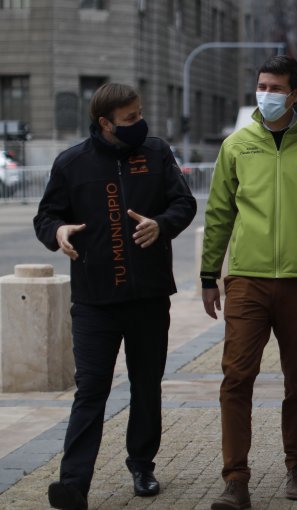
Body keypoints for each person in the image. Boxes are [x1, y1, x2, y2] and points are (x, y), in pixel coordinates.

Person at [200, 55, 297, 510]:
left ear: (296, 93)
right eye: (261, 85)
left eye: (275, 87)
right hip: (247, 280)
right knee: (236, 377)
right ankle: (235, 479)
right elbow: (219, 213)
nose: (265, 94)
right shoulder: (237, 145)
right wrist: (209, 273)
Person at [34, 82, 197, 510]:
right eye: (129, 119)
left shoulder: (158, 153)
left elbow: (184, 203)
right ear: (105, 123)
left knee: (147, 387)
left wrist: (162, 224)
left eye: (139, 114)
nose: (139, 124)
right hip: (94, 301)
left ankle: (142, 464)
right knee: (91, 389)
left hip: (148, 296)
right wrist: (58, 231)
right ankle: (73, 483)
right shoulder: (71, 163)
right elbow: (46, 215)